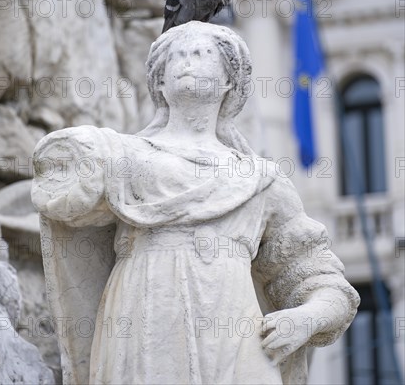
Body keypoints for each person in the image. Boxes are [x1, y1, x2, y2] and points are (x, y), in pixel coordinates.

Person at [32, 22, 359, 385]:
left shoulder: (261, 179)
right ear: (158, 82)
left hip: (237, 334)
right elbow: (61, 191)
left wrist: (304, 319)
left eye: (202, 54)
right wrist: (71, 155)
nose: (188, 60)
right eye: (177, 56)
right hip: (145, 321)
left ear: (229, 82)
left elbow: (322, 279)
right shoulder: (123, 158)